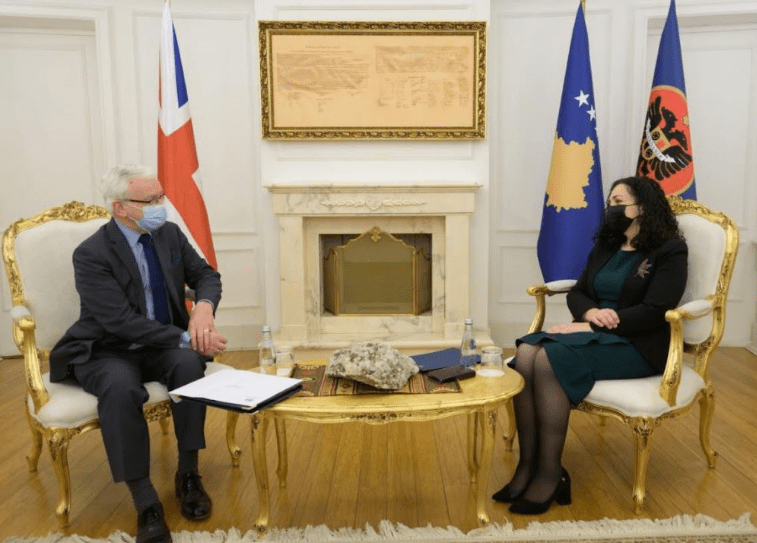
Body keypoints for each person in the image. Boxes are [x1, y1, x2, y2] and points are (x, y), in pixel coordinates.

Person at [50, 165, 228, 543]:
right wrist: (186, 337)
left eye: (161, 195)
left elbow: (206, 276)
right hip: (107, 349)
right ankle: (146, 501)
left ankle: (188, 474)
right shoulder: (92, 253)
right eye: (151, 200)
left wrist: (204, 308)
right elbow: (119, 322)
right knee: (119, 388)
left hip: (160, 346)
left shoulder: (169, 234)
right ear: (121, 208)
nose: (162, 204)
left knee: (189, 366)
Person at [492, 176, 687, 515]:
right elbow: (580, 291)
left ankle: (550, 475)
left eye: (619, 202)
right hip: (596, 332)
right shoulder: (608, 245)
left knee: (548, 358)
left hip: (637, 344)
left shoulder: (669, 251)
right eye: (610, 202)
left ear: (642, 208)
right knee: (526, 352)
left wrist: (591, 324)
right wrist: (590, 312)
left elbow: (656, 310)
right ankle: (527, 467)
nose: (611, 208)